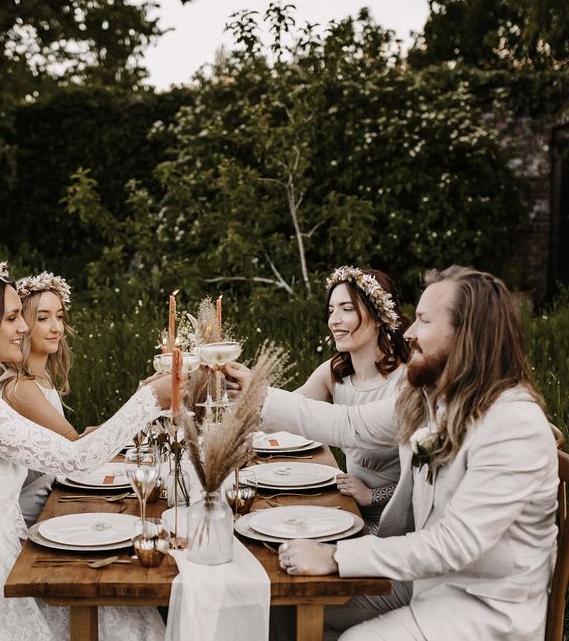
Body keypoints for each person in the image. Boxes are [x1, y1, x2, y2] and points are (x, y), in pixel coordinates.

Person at [226, 266, 558, 640]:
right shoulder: (433, 397)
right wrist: (258, 393)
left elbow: (456, 542)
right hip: (424, 579)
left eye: (424, 321)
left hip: (485, 605)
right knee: (283, 603)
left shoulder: (513, 423)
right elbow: (348, 424)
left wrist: (336, 558)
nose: (410, 333)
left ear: (466, 335)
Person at [0, 258, 169, 640]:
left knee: (116, 608)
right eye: (11, 318)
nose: (24, 327)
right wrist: (149, 401)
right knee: (111, 610)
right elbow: (76, 458)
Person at [296, 266, 409, 532]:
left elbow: (426, 479)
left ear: (379, 316)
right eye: (332, 310)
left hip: (394, 529)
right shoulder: (334, 372)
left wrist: (374, 495)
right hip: (348, 515)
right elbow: (289, 410)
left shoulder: (407, 384)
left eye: (346, 309)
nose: (334, 319)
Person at [0, 271, 81, 526]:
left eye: (60, 316)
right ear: (22, 325)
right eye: (43, 318)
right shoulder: (20, 387)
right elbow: (75, 446)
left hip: (53, 492)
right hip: (30, 507)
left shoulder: (41, 379)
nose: (56, 327)